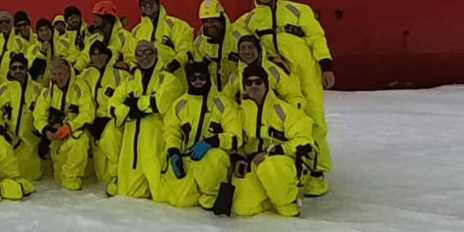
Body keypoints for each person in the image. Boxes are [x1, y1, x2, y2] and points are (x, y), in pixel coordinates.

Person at [237, 0, 335, 195]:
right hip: (278, 74)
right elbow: (233, 31)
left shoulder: (298, 10)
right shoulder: (251, 20)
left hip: (306, 72)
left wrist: (326, 65)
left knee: (314, 120)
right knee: (285, 122)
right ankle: (291, 167)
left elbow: (316, 37)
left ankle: (317, 173)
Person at [231, 65, 316, 217]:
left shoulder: (283, 109)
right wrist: (238, 158)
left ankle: (287, 201)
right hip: (252, 163)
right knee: (244, 208)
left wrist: (273, 152)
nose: (254, 86)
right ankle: (271, 195)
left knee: (270, 167)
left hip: (281, 162)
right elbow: (235, 139)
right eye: (249, 83)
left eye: (258, 82)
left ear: (266, 84)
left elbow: (303, 139)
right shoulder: (240, 112)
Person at [107, 40, 185, 201]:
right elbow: (113, 105)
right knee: (128, 195)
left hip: (156, 141)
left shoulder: (167, 79)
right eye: (140, 54)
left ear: (156, 54)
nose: (144, 57)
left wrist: (135, 104)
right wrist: (131, 110)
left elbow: (161, 102)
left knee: (162, 196)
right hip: (132, 146)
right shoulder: (129, 81)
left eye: (148, 52)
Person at [161, 61, 241, 210]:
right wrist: (174, 151)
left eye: (202, 77)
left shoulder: (223, 103)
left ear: (208, 77)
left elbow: (235, 137)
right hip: (189, 158)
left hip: (213, 159)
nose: (198, 82)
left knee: (213, 158)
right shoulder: (180, 104)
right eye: (193, 78)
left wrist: (213, 141)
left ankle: (214, 195)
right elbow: (171, 130)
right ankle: (198, 190)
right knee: (179, 200)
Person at [33, 57, 95, 190]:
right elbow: (38, 116)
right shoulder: (47, 92)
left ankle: (73, 179)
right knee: (59, 176)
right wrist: (46, 131)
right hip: (56, 136)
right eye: (54, 74)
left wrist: (70, 127)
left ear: (69, 72)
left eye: (60, 74)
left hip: (76, 131)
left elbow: (88, 113)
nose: (58, 78)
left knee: (78, 140)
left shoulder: (81, 87)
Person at [0, 53, 44, 181]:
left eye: (21, 68)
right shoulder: (2, 90)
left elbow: (44, 113)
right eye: (14, 68)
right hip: (9, 141)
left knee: (31, 180)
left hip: (30, 144)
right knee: (7, 177)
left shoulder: (38, 90)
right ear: (10, 70)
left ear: (26, 69)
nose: (18, 71)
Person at [78, 43, 123, 187]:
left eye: (100, 53)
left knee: (111, 142)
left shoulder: (119, 74)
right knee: (102, 176)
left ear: (107, 55)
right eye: (94, 54)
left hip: (111, 120)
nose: (97, 57)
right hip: (92, 121)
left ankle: (118, 177)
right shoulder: (85, 75)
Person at [128, 0, 195, 82]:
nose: (147, 6)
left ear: (157, 3)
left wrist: (173, 65)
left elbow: (185, 49)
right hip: (147, 82)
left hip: (174, 79)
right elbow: (131, 56)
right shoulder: (136, 31)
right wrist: (135, 69)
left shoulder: (176, 25)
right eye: (143, 4)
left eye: (151, 2)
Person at [225, 35, 305, 109]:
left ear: (258, 50)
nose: (247, 52)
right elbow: (226, 99)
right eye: (242, 48)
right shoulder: (236, 77)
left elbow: (293, 95)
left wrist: (292, 115)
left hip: (273, 118)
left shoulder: (273, 70)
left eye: (250, 47)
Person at [192, 0, 249, 90]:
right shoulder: (199, 44)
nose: (210, 25)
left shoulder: (240, 38)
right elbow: (199, 73)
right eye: (206, 21)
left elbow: (251, 68)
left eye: (213, 20)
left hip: (239, 92)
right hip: (214, 96)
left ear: (221, 20)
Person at [78, 1, 135, 73]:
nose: (94, 20)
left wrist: (127, 65)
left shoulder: (124, 36)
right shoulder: (94, 38)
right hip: (95, 77)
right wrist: (76, 69)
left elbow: (131, 57)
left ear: (106, 19)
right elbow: (84, 57)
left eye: (97, 17)